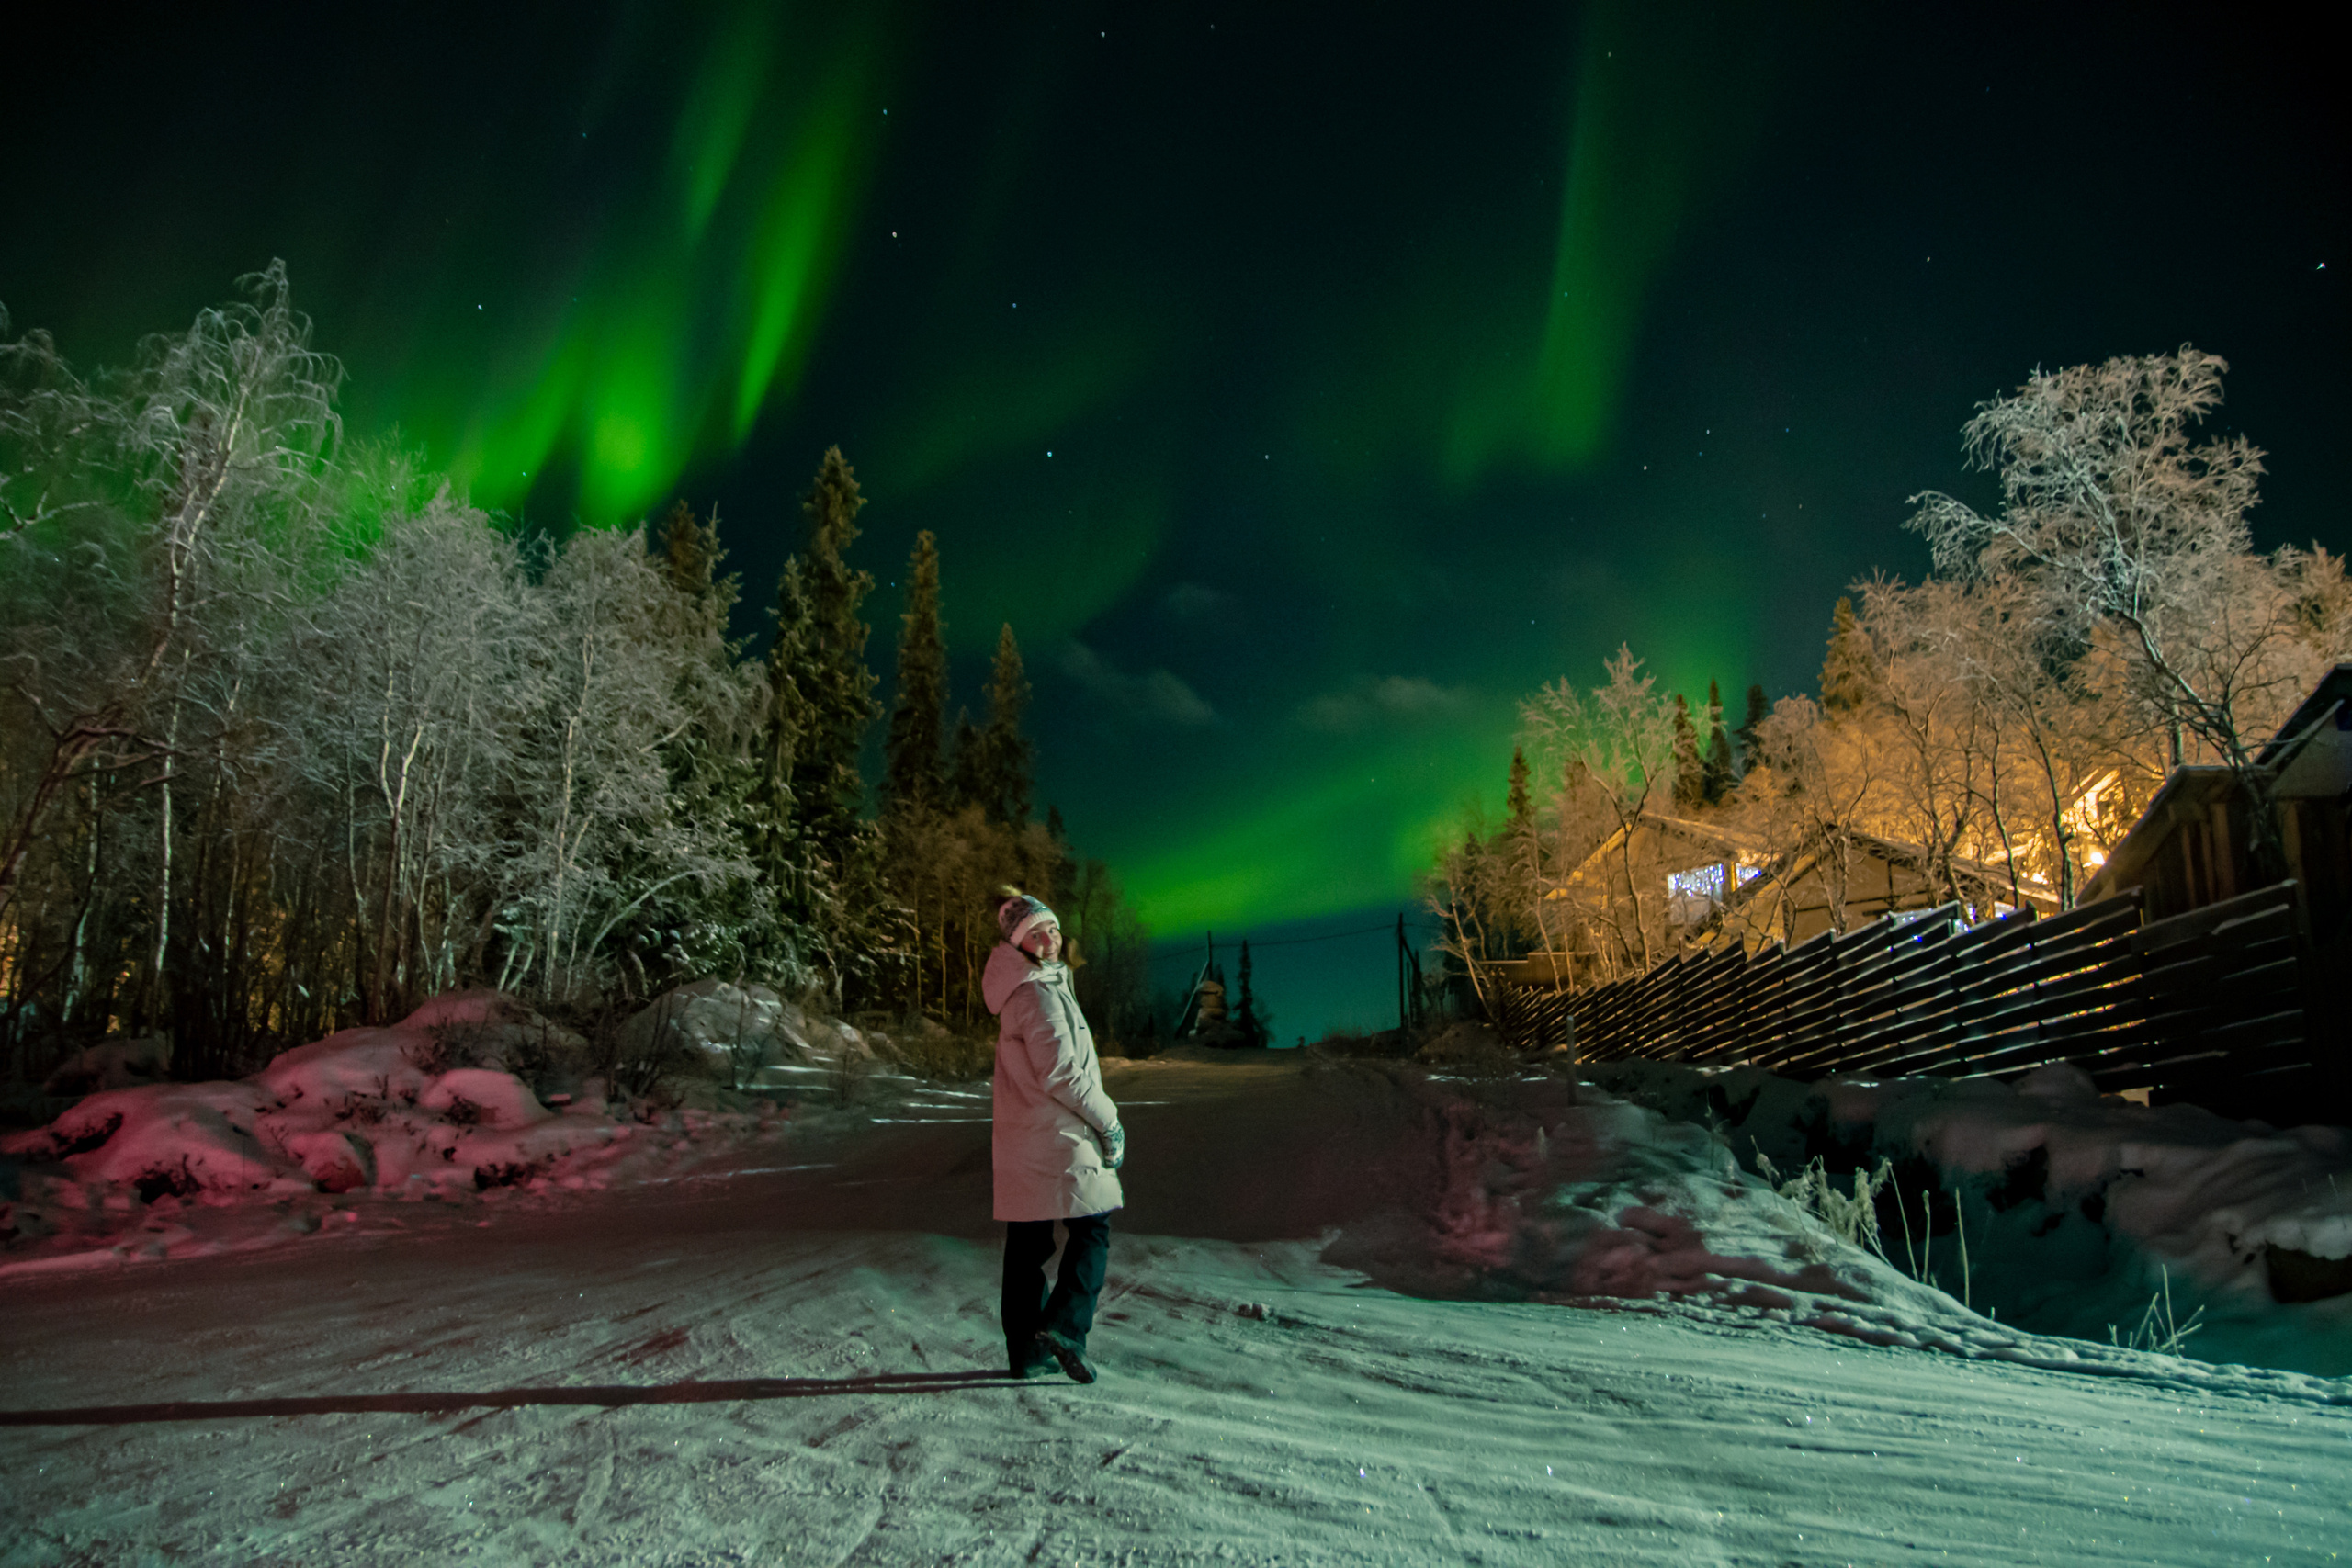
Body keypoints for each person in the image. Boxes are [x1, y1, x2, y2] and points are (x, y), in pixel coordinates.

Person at [984, 889, 1125, 1382]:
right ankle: (1065, 1326)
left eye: (1054, 931)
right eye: (1037, 935)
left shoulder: (1027, 988)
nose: (1050, 941)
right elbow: (1063, 1073)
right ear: (1019, 945)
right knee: (1093, 1227)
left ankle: (1026, 1350)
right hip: (1059, 1135)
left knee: (1027, 1242)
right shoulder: (1038, 992)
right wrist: (1108, 1119)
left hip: (1028, 1138)